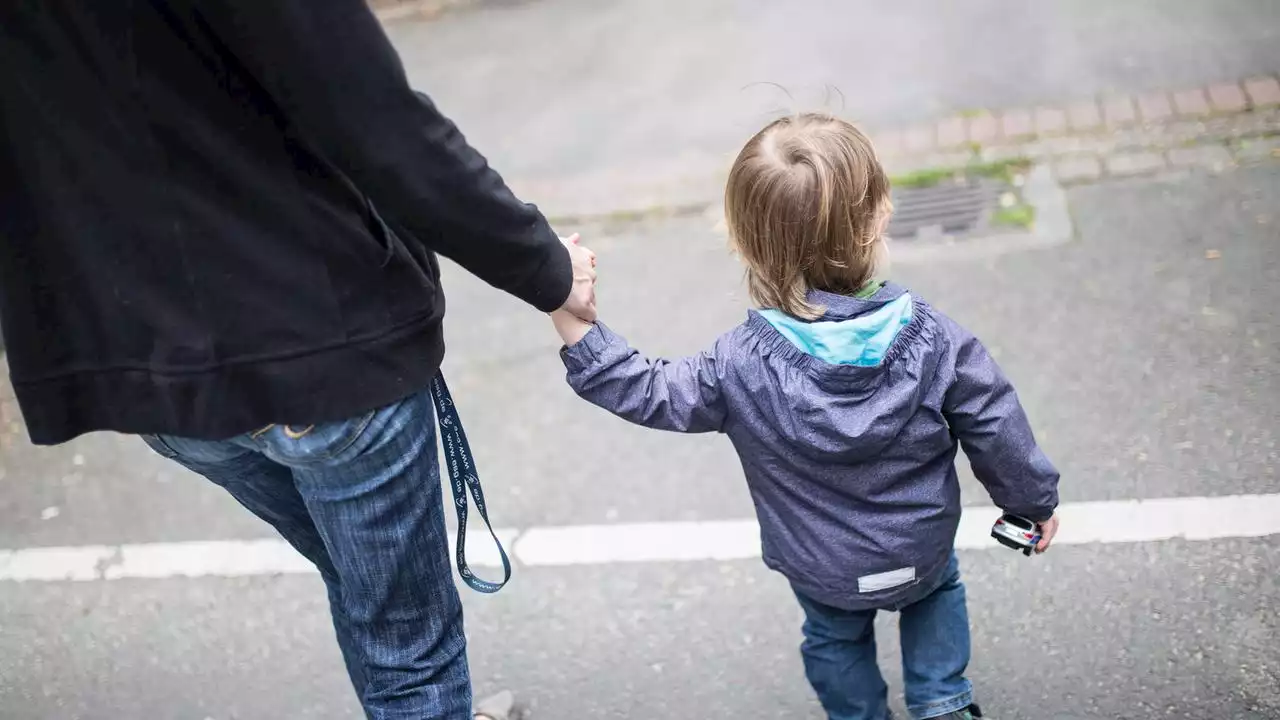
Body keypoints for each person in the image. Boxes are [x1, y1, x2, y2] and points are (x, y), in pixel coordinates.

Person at [0, 2, 597, 718]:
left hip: (150, 368)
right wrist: (546, 268)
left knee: (364, 587)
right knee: (405, 641)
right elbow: (380, 123)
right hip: (318, 339)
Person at [549, 113, 1061, 720]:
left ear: (742, 241)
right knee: (936, 595)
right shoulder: (938, 341)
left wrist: (570, 315)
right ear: (879, 219)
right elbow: (995, 423)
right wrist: (1031, 503)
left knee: (834, 637)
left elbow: (650, 390)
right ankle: (942, 699)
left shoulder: (735, 365)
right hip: (920, 545)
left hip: (819, 564)